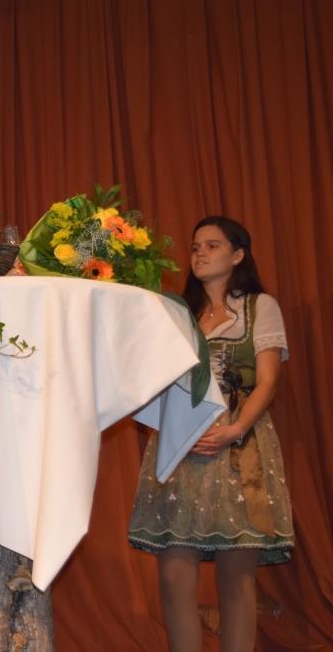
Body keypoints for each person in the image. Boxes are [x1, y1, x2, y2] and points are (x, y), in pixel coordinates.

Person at [129, 216, 292, 651]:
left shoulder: (259, 307)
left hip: (240, 447)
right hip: (182, 444)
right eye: (195, 246)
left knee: (236, 578)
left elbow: (268, 381)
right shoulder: (179, 313)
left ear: (237, 256)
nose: (199, 252)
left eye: (212, 245)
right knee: (173, 575)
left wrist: (235, 429)